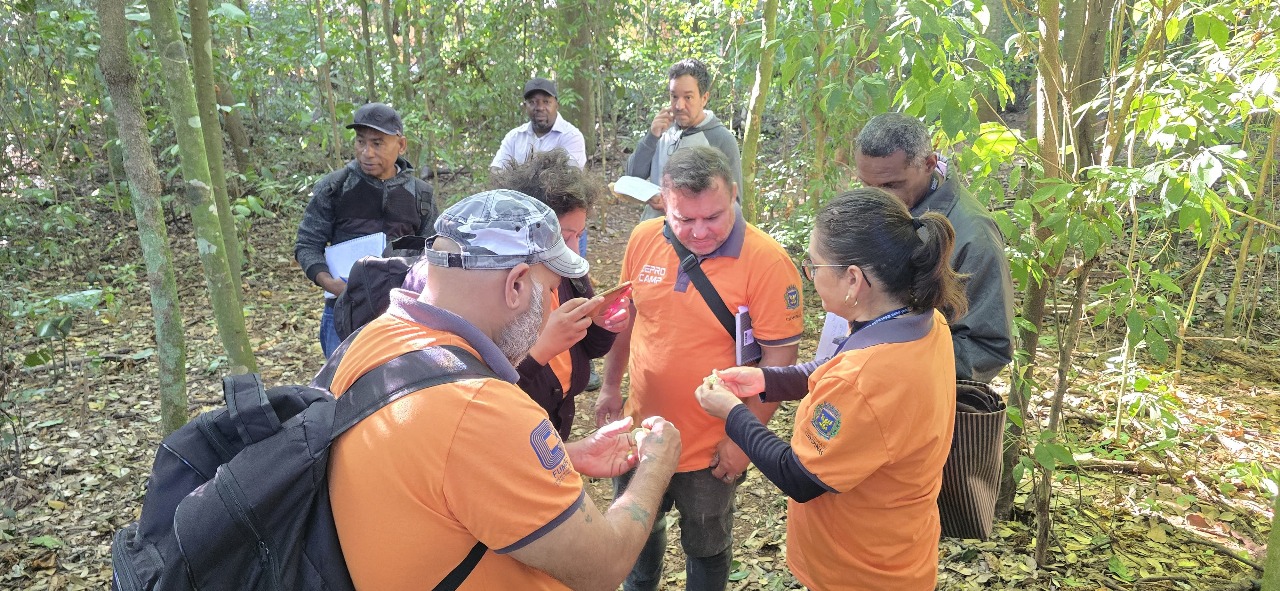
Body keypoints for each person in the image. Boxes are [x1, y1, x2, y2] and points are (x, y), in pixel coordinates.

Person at [327, 189, 682, 590]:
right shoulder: (480, 406)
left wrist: (569, 454)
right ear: (515, 285)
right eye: (548, 290)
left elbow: (438, 469)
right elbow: (602, 567)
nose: (551, 302)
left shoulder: (373, 340)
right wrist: (655, 466)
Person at [695, 187, 967, 591]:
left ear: (853, 279)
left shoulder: (863, 380)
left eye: (814, 265)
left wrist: (733, 413)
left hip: (858, 572)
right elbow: (837, 368)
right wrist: (767, 380)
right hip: (897, 549)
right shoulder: (923, 324)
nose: (811, 276)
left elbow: (799, 475)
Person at [596, 146, 803, 591]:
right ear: (662, 202)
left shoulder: (766, 260)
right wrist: (610, 387)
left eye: (712, 216)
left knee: (706, 543)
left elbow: (779, 359)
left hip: (710, 446)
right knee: (636, 530)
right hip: (642, 430)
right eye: (684, 220)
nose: (700, 232)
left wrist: (741, 439)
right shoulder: (644, 240)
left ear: (733, 194)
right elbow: (627, 321)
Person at [852, 112, 1014, 383]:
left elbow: (987, 347)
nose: (876, 197)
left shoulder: (973, 234)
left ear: (929, 164)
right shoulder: (878, 206)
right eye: (866, 185)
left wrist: (897, 360)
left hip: (923, 397)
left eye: (891, 185)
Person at [490, 149, 622, 438]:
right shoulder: (493, 294)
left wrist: (601, 325)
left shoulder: (570, 274)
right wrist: (542, 349)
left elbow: (588, 349)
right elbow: (487, 398)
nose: (574, 251)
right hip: (513, 439)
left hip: (557, 426)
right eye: (563, 237)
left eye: (579, 236)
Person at [294, 102, 438, 358]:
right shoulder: (335, 188)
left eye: (377, 143)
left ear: (401, 145)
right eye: (361, 142)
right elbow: (307, 243)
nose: (367, 152)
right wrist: (329, 282)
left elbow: (432, 251)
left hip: (400, 312)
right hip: (343, 308)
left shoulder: (421, 194)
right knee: (339, 387)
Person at [625, 58, 743, 222]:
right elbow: (632, 175)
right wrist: (651, 137)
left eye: (688, 97)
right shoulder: (662, 131)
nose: (679, 105)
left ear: (704, 98)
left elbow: (733, 203)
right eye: (674, 96)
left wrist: (674, 203)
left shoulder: (720, 139)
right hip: (653, 231)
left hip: (695, 238)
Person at [491, 77, 592, 257]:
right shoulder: (514, 137)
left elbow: (569, 180)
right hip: (522, 226)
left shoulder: (571, 136)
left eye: (546, 101)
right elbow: (497, 172)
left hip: (563, 224)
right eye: (533, 102)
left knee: (573, 276)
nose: (539, 107)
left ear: (556, 104)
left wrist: (519, 180)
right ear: (526, 106)